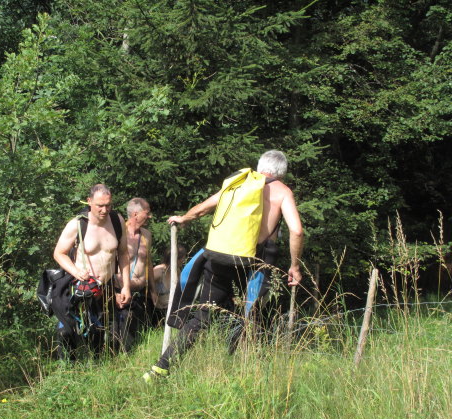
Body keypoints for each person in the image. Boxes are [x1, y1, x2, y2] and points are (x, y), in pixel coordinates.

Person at [144, 150, 303, 381]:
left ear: (259, 167)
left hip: (219, 255)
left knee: (205, 315)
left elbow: (203, 208)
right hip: (252, 261)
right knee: (252, 315)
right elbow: (296, 230)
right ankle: (243, 372)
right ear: (283, 173)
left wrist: (185, 218)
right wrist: (295, 266)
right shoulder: (283, 191)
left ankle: (161, 368)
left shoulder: (239, 182)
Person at [53, 184, 131, 358]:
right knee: (68, 331)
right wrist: (76, 272)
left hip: (106, 287)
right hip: (81, 286)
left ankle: (97, 364)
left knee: (100, 331)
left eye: (108, 205)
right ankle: (67, 366)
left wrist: (126, 286)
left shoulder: (117, 221)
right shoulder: (77, 224)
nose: (104, 210)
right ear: (89, 202)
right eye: (100, 206)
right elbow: (59, 253)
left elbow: (124, 253)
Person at [112, 198, 157, 352]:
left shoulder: (147, 235)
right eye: (147, 213)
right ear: (136, 214)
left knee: (136, 334)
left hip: (140, 293)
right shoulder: (118, 232)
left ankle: (130, 357)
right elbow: (109, 264)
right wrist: (113, 292)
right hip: (121, 292)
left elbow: (148, 263)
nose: (149, 216)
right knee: (118, 334)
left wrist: (153, 291)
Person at [152, 245, 187, 319]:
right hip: (157, 312)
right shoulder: (159, 270)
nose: (184, 260)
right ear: (177, 258)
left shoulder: (177, 271)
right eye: (183, 257)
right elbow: (147, 284)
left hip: (171, 311)